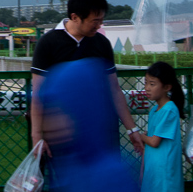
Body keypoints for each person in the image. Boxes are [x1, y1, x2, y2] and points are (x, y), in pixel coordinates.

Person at [30, 0, 145, 155]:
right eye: (95, 21)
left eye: (101, 20)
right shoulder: (48, 43)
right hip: (62, 135)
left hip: (101, 133)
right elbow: (39, 95)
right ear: (75, 17)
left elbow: (114, 90)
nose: (99, 25)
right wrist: (37, 136)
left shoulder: (101, 43)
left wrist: (131, 130)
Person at [38, 58, 140, 192]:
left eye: (60, 112)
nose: (50, 124)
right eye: (49, 114)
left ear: (82, 112)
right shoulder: (67, 165)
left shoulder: (111, 177)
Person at [141, 61, 185, 192]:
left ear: (167, 87)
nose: (147, 87)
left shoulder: (169, 110)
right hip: (155, 169)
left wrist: (140, 136)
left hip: (164, 172)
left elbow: (154, 141)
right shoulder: (155, 110)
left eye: (152, 84)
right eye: (146, 82)